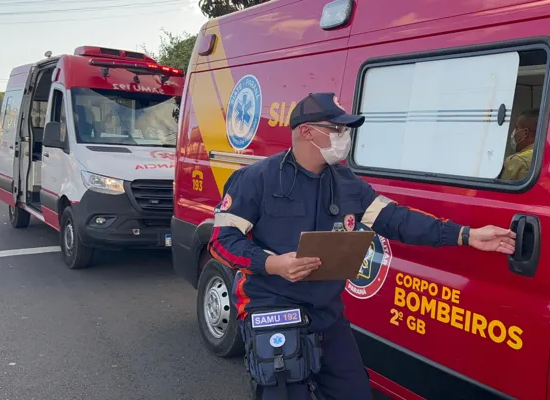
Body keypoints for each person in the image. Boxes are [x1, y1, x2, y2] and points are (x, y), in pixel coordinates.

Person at [208, 92, 517, 400]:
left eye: (347, 130)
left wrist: (465, 235)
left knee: (354, 392)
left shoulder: (346, 182)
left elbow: (396, 219)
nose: (345, 137)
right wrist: (273, 264)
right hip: (274, 309)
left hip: (327, 314)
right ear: (306, 131)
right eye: (337, 130)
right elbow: (222, 242)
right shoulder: (256, 179)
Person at [500, 108, 539, 181]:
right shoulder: (548, 155)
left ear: (525, 133)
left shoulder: (518, 161)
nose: (514, 132)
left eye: (516, 128)